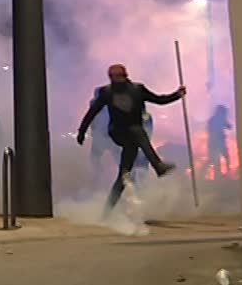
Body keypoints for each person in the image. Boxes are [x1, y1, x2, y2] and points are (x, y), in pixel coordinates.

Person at [76, 64, 185, 215]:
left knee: (124, 174)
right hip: (118, 133)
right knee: (137, 131)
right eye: (115, 78)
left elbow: (159, 100)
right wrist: (81, 132)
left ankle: (106, 211)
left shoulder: (138, 89)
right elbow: (92, 112)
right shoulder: (106, 93)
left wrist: (177, 95)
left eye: (119, 77)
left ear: (126, 76)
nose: (117, 81)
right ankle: (157, 165)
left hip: (132, 137)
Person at [207, 105, 233, 176]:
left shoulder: (214, 119)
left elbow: (229, 126)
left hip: (217, 142)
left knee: (222, 157)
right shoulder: (215, 120)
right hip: (217, 142)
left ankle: (224, 173)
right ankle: (221, 174)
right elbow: (229, 126)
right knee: (219, 158)